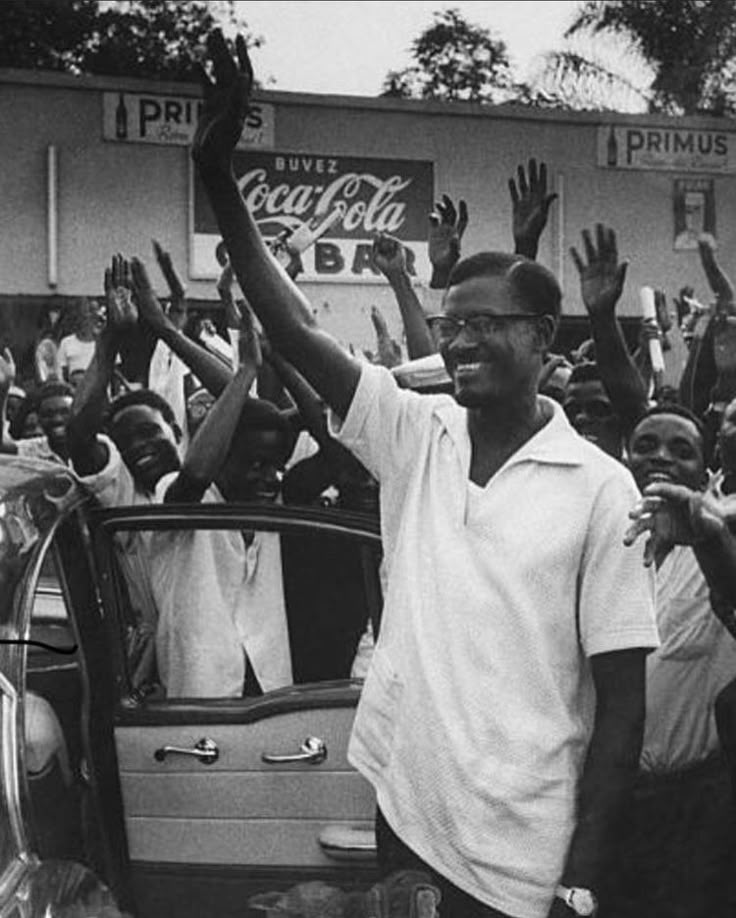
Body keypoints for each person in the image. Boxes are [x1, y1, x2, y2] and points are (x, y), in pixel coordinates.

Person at [192, 30, 659, 918]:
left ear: (541, 338)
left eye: (484, 324)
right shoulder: (417, 432)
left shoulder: (602, 487)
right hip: (409, 814)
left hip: (524, 856)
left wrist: (584, 881)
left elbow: (624, 712)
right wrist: (219, 175)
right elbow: (294, 331)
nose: (458, 341)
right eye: (450, 325)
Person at [67, 254, 292, 698]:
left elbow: (250, 414)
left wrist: (169, 331)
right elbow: (193, 472)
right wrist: (111, 342)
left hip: (271, 691)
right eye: (126, 441)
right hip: (196, 696)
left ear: (177, 432)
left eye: (151, 433)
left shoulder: (266, 497)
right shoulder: (172, 492)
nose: (140, 448)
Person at [618, 404, 736, 918]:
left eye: (681, 450)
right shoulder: (603, 542)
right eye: (645, 446)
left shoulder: (721, 539)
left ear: (707, 470)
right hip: (608, 802)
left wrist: (710, 544)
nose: (660, 458)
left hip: (693, 811)